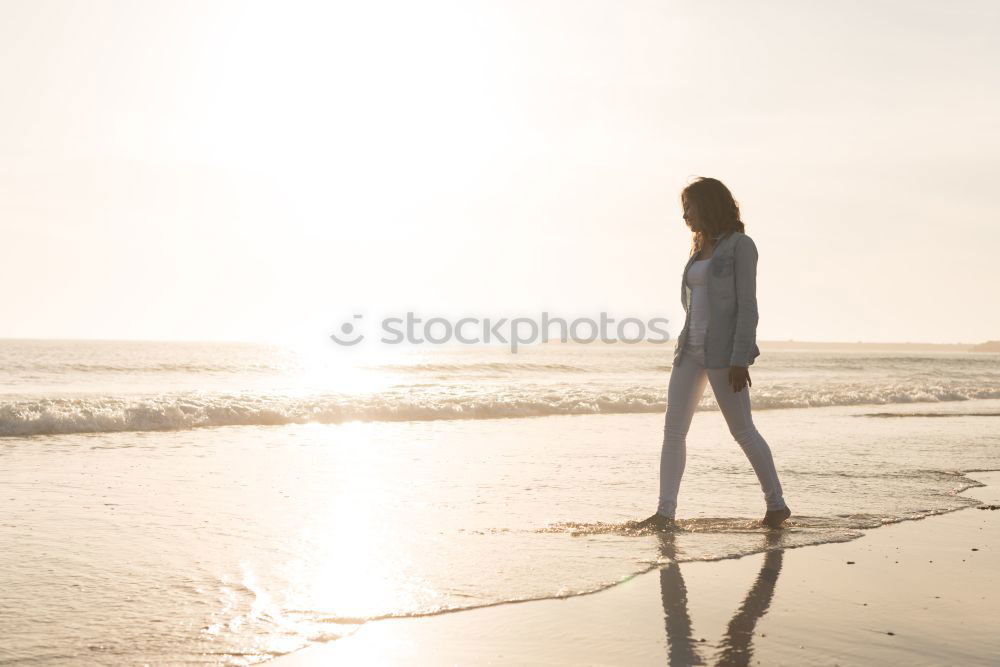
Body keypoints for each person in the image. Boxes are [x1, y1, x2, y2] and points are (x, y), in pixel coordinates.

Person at [635, 177, 791, 531]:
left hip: (724, 355)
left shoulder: (741, 246)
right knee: (673, 432)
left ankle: (777, 505)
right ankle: (665, 513)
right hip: (689, 350)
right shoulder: (697, 250)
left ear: (708, 204)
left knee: (743, 431)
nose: (685, 215)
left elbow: (747, 306)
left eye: (689, 207)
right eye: (683, 208)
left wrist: (741, 358)